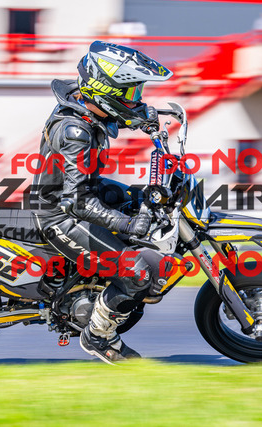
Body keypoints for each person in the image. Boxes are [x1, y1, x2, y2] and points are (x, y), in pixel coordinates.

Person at [31, 41, 173, 364]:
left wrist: (141, 117)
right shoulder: (74, 132)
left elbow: (110, 114)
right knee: (135, 273)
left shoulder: (84, 103)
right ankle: (98, 336)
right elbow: (78, 202)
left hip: (84, 190)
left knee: (142, 199)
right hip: (60, 215)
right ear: (105, 90)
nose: (135, 98)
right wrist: (127, 224)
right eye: (130, 92)